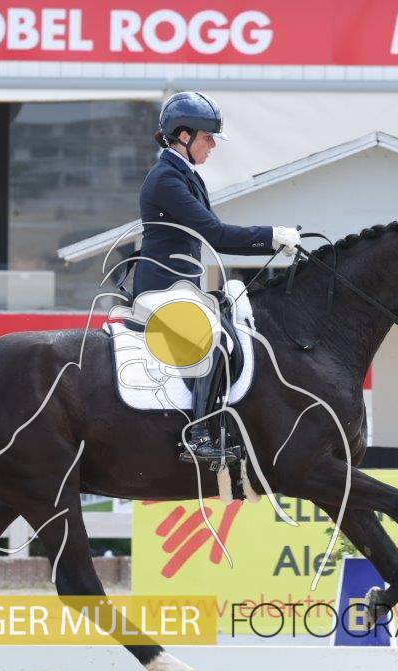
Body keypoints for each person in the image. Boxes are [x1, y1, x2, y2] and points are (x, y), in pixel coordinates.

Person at [134, 91, 301, 464]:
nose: (212, 146)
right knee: (216, 341)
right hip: (162, 287)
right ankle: (198, 435)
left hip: (182, 285)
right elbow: (216, 235)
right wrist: (271, 236)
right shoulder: (166, 179)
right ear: (183, 135)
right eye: (207, 138)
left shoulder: (185, 175)